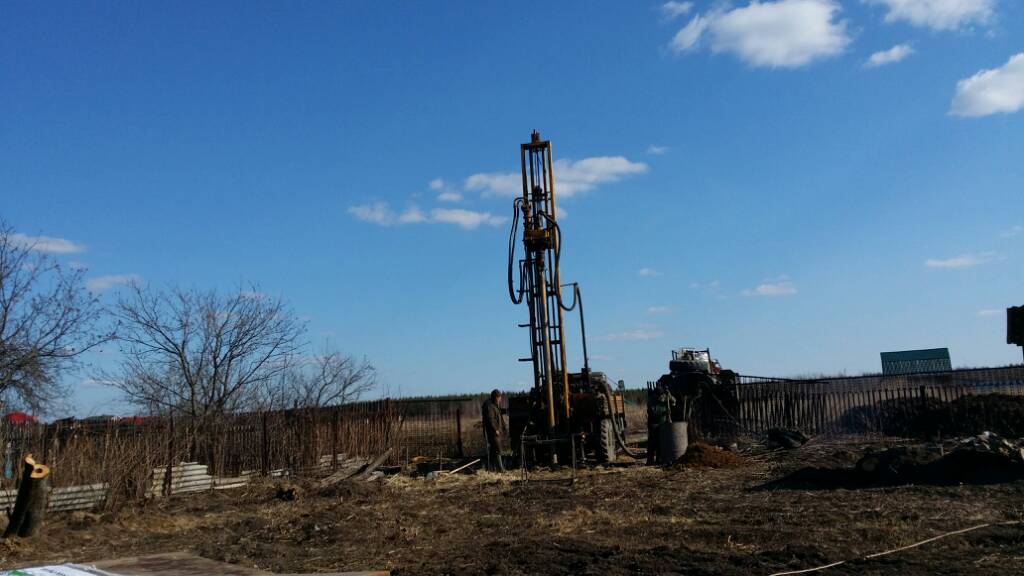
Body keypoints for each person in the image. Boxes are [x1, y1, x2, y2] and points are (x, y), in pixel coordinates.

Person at [646, 385, 675, 465]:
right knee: (652, 443)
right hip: (653, 424)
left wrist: (669, 395)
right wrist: (664, 412)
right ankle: (650, 460)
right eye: (659, 395)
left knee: (661, 443)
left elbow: (674, 401)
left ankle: (659, 459)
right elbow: (653, 413)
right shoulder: (651, 401)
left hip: (663, 424)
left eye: (661, 395)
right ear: (655, 395)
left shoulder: (664, 397)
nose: (660, 397)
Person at [481, 389, 507, 472]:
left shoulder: (494, 405)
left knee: (493, 450)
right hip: (492, 432)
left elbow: (497, 414)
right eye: (499, 398)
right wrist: (495, 429)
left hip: (496, 431)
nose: (500, 399)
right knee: (498, 449)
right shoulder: (489, 406)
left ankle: (491, 468)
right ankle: (500, 469)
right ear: (495, 397)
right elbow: (490, 419)